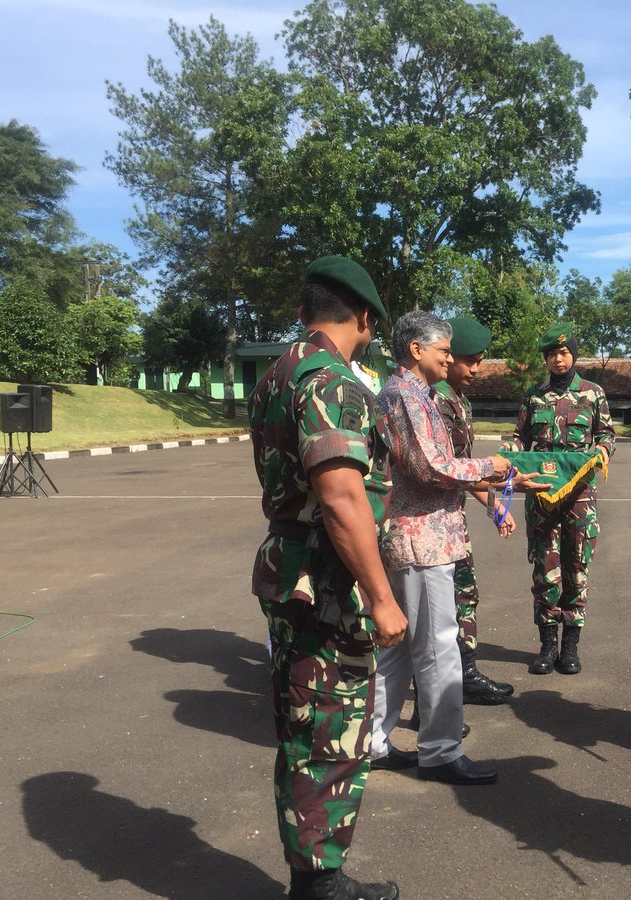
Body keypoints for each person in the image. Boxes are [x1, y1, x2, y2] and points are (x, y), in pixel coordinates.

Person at [249, 256, 405, 900]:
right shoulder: (332, 381)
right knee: (332, 731)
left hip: (293, 572)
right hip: (329, 584)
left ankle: (313, 875)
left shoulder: (277, 374)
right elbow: (342, 498)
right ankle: (320, 883)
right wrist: (382, 596)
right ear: (364, 317)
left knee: (303, 724)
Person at [369, 311, 538, 787]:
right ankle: (440, 751)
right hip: (423, 539)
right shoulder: (405, 396)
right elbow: (434, 467)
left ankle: (377, 743)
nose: (449, 355)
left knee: (401, 648)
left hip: (425, 535)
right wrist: (496, 464)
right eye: (444, 349)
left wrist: (505, 480)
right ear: (416, 350)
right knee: (437, 646)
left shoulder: (416, 394)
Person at [502, 323, 615, 676]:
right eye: (552, 354)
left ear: (574, 355)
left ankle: (571, 647)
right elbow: (521, 435)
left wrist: (601, 449)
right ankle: (547, 645)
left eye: (563, 353)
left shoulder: (593, 393)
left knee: (576, 568)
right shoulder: (534, 395)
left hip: (579, 495)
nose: (558, 359)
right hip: (540, 494)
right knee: (545, 571)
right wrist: (511, 448)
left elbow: (608, 434)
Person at [434, 316, 517, 705]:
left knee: (464, 593)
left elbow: (465, 469)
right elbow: (448, 469)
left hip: (454, 520)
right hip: (429, 523)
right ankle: (434, 692)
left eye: (480, 360)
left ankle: (463, 673)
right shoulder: (432, 401)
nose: (477, 369)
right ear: (448, 357)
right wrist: (495, 491)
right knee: (436, 609)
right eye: (470, 361)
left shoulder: (459, 401)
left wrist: (496, 506)